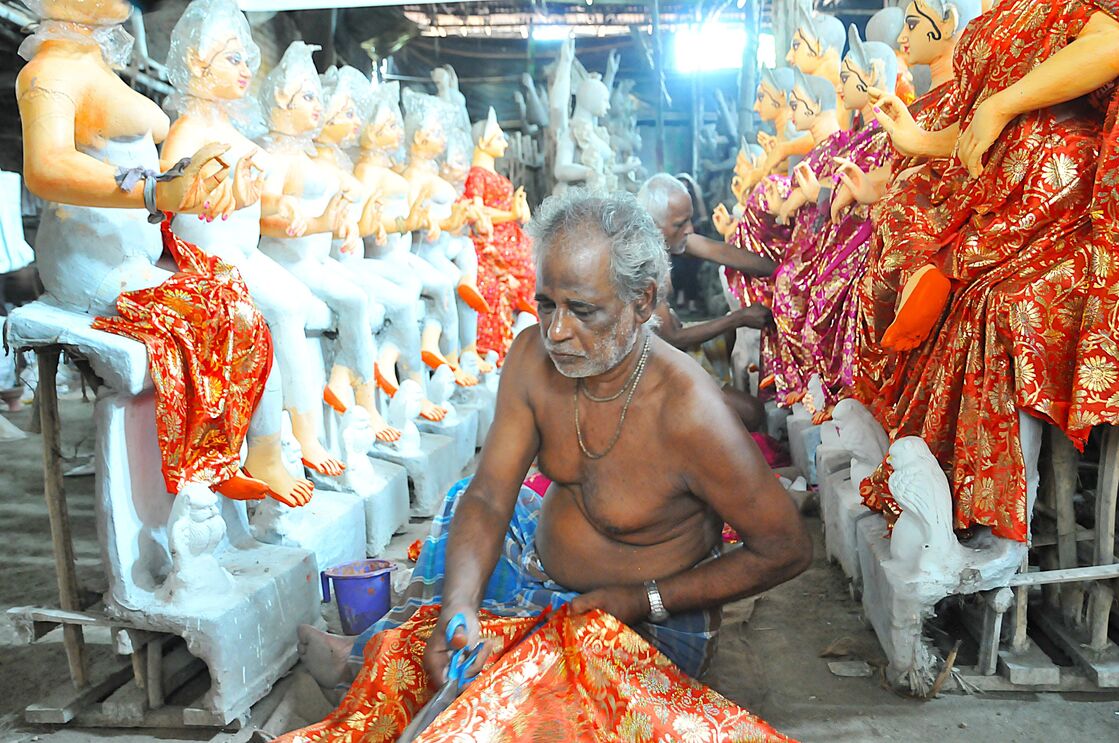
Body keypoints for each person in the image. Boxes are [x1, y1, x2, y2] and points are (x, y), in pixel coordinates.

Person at [294, 190, 811, 728]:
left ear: (642, 302)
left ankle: (366, 657)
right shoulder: (533, 358)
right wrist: (459, 608)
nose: (557, 330)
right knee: (461, 545)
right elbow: (492, 495)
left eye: (582, 310)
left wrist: (639, 599)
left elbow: (786, 548)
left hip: (649, 619)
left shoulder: (689, 410)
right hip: (541, 574)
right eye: (547, 304)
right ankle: (380, 650)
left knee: (504, 699)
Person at [638, 173, 775, 430]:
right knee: (752, 413)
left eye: (689, 219)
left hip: (672, 341)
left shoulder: (670, 238)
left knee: (732, 338)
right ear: (653, 225)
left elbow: (721, 251)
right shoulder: (644, 265)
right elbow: (673, 337)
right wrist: (738, 317)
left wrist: (781, 271)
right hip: (654, 365)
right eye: (680, 224)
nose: (690, 228)